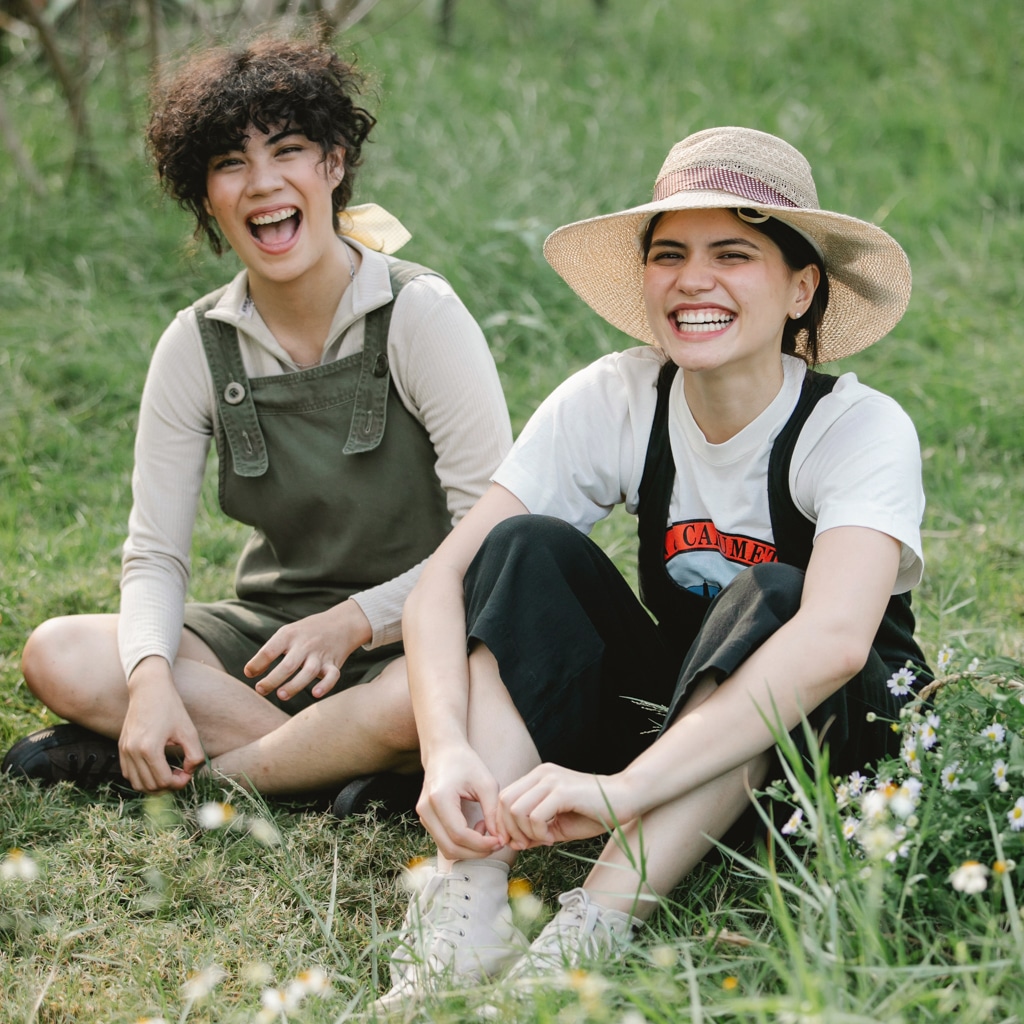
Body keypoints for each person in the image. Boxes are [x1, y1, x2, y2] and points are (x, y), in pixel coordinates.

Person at [375, 126, 932, 1008]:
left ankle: (585, 930)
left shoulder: (857, 428)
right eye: (668, 254)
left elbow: (833, 642)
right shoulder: (621, 396)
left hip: (827, 756)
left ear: (801, 287)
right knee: (522, 549)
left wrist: (623, 789)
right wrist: (444, 753)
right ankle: (469, 903)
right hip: (681, 731)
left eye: (732, 254)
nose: (692, 279)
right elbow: (445, 580)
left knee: (780, 596)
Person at [1, 35, 512, 809]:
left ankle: (216, 776)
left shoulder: (418, 314)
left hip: (416, 629)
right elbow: (155, 558)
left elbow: (492, 539)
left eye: (288, 151)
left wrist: (355, 622)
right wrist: (146, 682)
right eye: (230, 163)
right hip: (267, 638)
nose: (262, 184)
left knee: (430, 698)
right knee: (62, 653)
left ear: (335, 165)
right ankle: (338, 771)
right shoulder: (195, 343)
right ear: (204, 194)